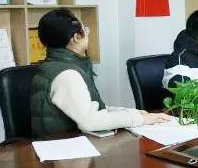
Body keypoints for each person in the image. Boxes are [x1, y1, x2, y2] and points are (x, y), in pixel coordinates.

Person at [31, 9, 170, 137]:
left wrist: (132, 113)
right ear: (76, 37)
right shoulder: (67, 74)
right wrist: (140, 119)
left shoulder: (52, 65)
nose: (88, 33)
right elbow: (90, 121)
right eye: (85, 29)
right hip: (65, 147)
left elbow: (89, 108)